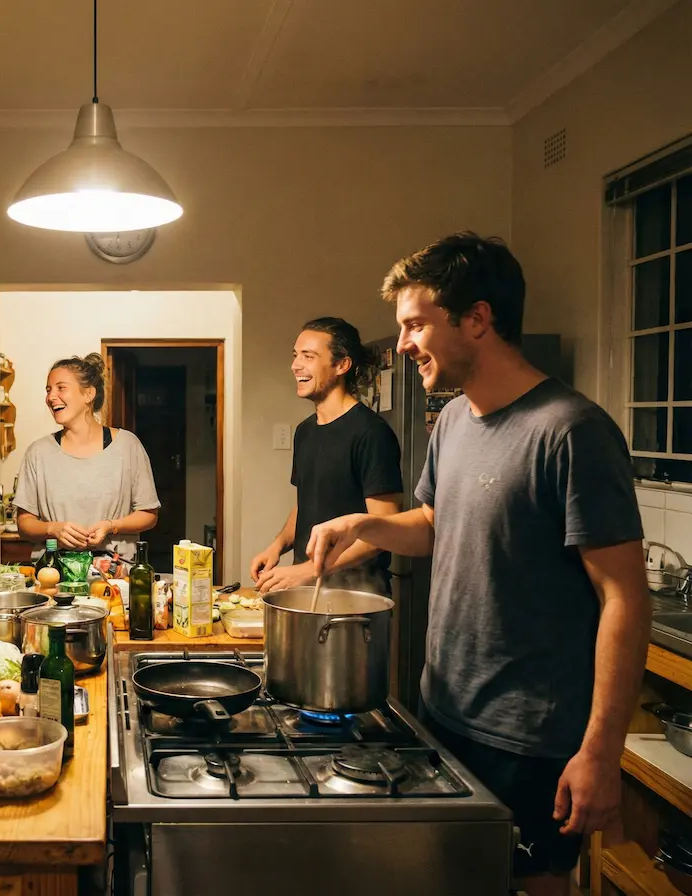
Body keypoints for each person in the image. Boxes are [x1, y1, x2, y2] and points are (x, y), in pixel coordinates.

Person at [307, 233, 650, 895]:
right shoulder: (455, 423)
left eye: (415, 325)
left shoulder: (571, 431)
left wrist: (601, 753)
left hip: (529, 739)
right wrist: (362, 523)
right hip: (443, 711)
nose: (402, 344)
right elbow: (435, 525)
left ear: (477, 320)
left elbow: (625, 599)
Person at [249, 318, 403, 594]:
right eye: (296, 355)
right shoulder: (305, 431)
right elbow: (307, 501)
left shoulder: (371, 433)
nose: (296, 365)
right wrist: (277, 546)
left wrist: (311, 569)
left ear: (342, 365)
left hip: (356, 595)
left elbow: (385, 529)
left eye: (308, 356)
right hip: (306, 587)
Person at [14, 353, 160, 557]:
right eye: (48, 390)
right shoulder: (38, 452)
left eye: (61, 388)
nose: (50, 397)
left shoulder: (127, 446)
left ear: (88, 394)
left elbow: (149, 514)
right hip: (54, 570)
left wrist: (111, 526)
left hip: (114, 570)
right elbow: (24, 523)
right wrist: (53, 529)